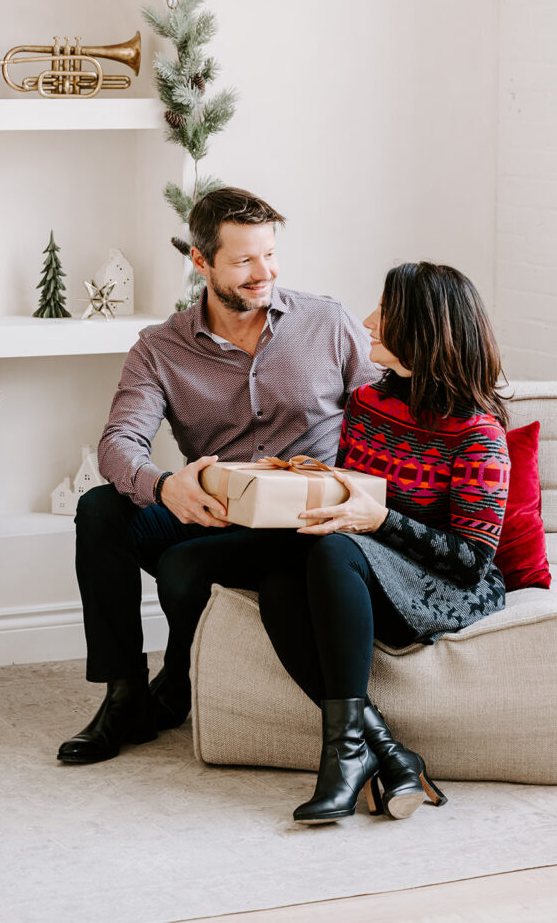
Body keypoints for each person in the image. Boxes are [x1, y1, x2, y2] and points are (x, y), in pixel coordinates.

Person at [156, 261, 509, 823]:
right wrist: (306, 479)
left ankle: (344, 755)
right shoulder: (370, 402)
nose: (368, 321)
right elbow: (350, 491)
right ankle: (388, 752)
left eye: (386, 313)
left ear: (424, 328)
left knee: (325, 550)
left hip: (433, 584)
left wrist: (380, 520)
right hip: (351, 559)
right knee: (185, 564)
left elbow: (471, 560)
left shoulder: (477, 431)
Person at [57, 186, 380, 765]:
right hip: (214, 510)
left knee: (182, 573)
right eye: (243, 260)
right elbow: (119, 441)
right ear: (201, 261)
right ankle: (125, 691)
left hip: (300, 523)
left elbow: (386, 414)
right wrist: (162, 486)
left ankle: (178, 675)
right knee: (101, 509)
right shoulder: (160, 348)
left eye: (270, 254)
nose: (265, 273)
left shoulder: (327, 322)